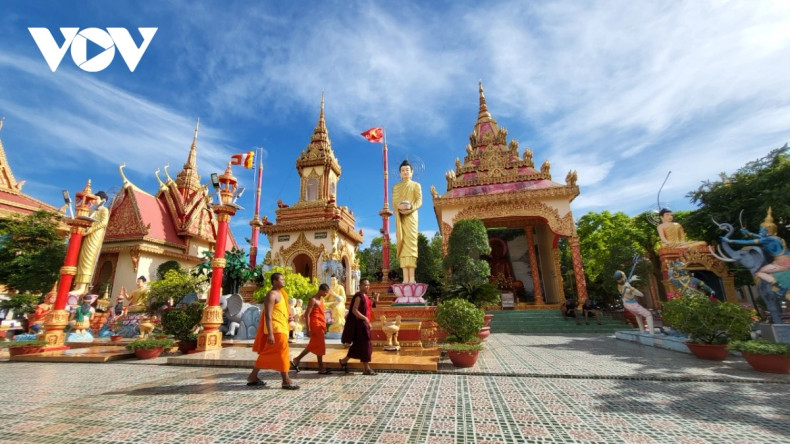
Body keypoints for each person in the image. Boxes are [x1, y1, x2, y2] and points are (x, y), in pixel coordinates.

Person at [247, 273, 299, 389]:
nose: (284, 281)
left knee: (268, 353)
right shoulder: (271, 295)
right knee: (282, 353)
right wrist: (270, 333)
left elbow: (279, 312)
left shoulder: (282, 294)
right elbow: (268, 315)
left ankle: (253, 376)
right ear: (275, 281)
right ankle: (286, 380)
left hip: (282, 327)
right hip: (276, 329)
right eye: (281, 279)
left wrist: (287, 318)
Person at [72, 191, 109, 295]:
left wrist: (90, 230)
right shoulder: (92, 211)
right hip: (86, 235)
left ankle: (83, 286)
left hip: (95, 235)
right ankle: (79, 285)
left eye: (96, 199)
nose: (94, 201)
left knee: (89, 257)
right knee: (81, 257)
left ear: (103, 200)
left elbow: (103, 223)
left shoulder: (104, 210)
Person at [392, 160, 422, 283]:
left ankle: (412, 278)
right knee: (403, 242)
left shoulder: (416, 185)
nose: (405, 172)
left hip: (412, 216)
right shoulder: (396, 187)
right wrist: (400, 207)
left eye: (407, 170)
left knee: (411, 243)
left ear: (412, 172)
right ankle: (405, 278)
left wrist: (410, 208)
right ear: (400, 173)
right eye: (403, 170)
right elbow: (394, 201)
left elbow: (419, 201)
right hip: (400, 217)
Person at [291, 284, 332, 374]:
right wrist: (308, 329)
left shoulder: (321, 299)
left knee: (317, 345)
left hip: (320, 323)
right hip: (315, 324)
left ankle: (297, 359)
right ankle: (319, 367)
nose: (326, 294)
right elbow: (307, 314)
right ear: (321, 290)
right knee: (317, 345)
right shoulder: (313, 300)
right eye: (326, 292)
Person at [339, 279, 376, 375]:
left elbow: (368, 309)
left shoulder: (365, 297)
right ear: (360, 286)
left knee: (359, 345)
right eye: (365, 285)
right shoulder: (359, 296)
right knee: (366, 345)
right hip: (360, 324)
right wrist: (365, 319)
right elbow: (354, 310)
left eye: (368, 285)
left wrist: (368, 321)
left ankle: (344, 361)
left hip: (364, 323)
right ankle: (366, 368)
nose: (367, 287)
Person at [615, 270, 654, 334]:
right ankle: (652, 334)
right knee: (648, 315)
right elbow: (641, 294)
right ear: (623, 277)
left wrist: (631, 280)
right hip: (632, 304)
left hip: (627, 303)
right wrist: (631, 287)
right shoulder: (627, 289)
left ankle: (642, 331)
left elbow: (624, 284)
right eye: (624, 275)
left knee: (638, 315)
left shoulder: (619, 286)